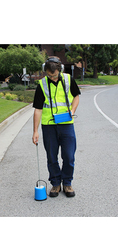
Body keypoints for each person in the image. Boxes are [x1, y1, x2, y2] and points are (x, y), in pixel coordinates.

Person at [32, 56, 81, 198]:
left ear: (60, 70)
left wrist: (72, 111)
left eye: (54, 75)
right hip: (48, 127)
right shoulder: (42, 84)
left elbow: (76, 96)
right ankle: (55, 183)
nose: (52, 78)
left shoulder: (68, 80)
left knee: (69, 156)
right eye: (49, 75)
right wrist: (35, 131)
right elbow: (38, 109)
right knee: (51, 157)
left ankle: (67, 183)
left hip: (66, 125)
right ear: (45, 71)